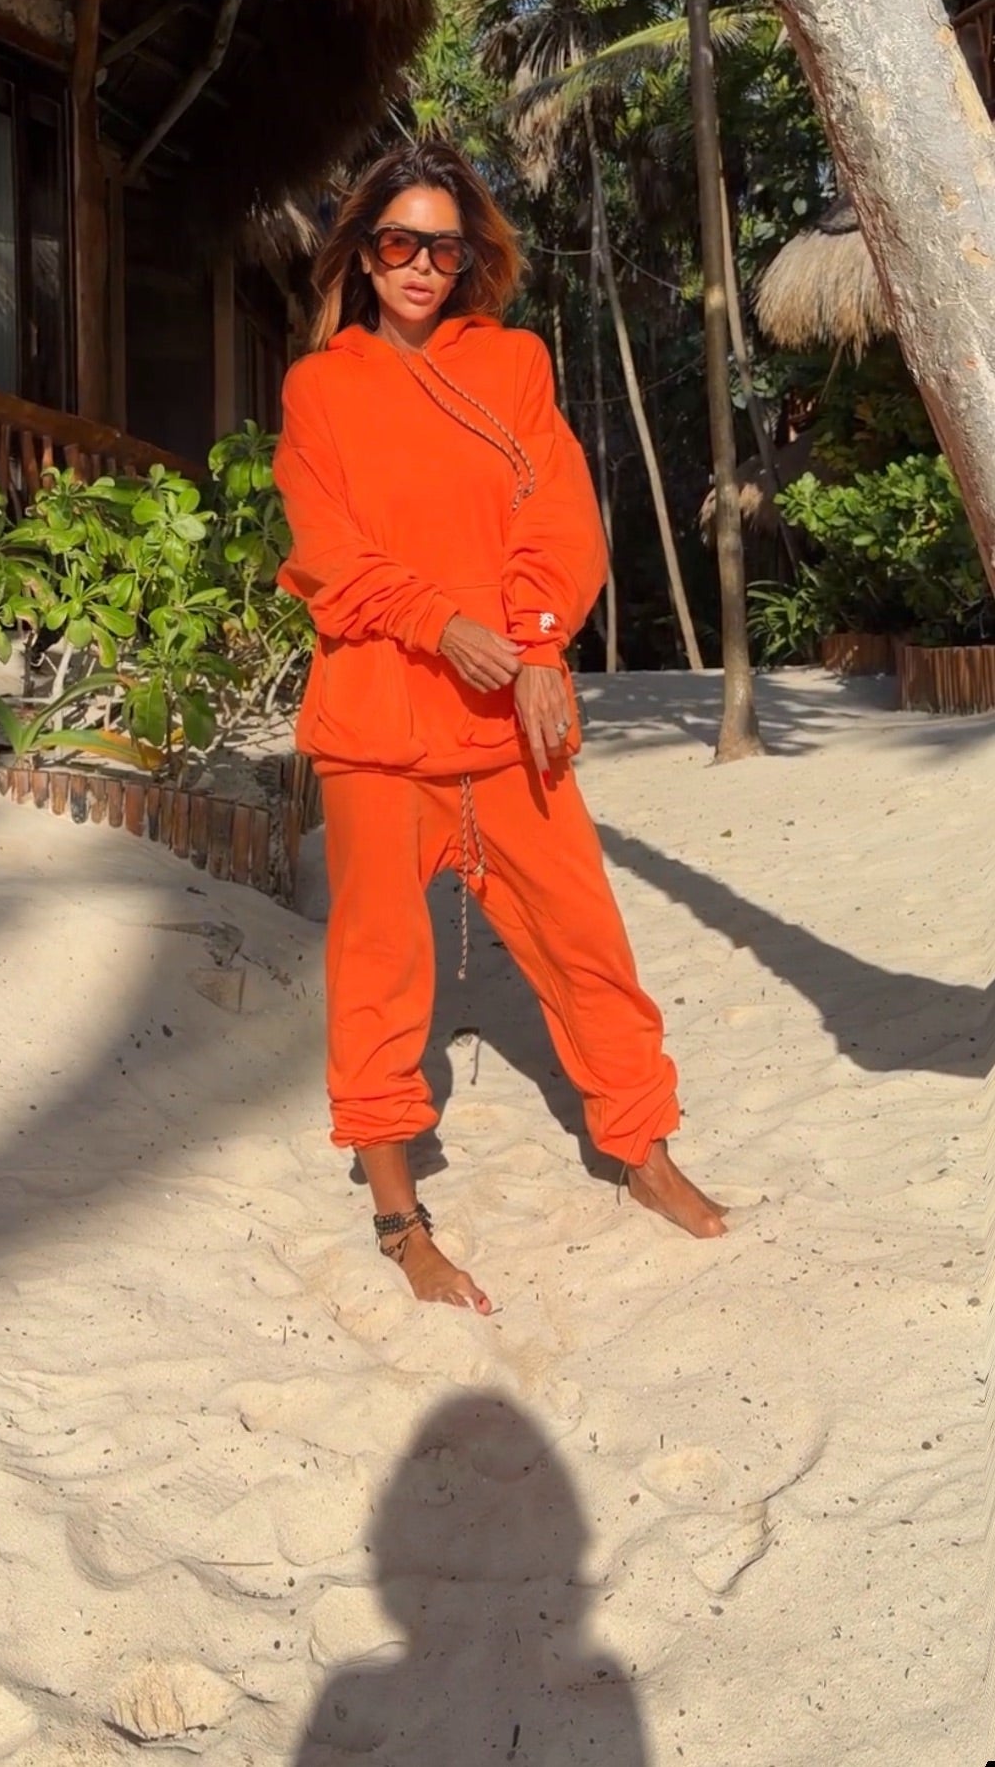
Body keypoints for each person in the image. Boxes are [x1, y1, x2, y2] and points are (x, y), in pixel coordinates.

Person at [273, 140, 724, 1314]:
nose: (423, 265)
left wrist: (534, 644)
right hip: (379, 719)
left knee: (585, 940)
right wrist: (441, 623)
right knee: (378, 971)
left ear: (471, 257)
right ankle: (399, 1219)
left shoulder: (513, 363)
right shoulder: (321, 387)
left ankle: (644, 1152)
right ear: (362, 253)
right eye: (399, 242)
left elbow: (558, 517)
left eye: (445, 246)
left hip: (508, 714)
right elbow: (327, 554)